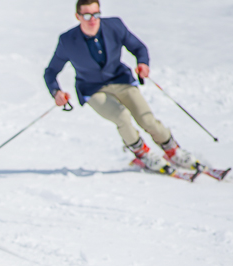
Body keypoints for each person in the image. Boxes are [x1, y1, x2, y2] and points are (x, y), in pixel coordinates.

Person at [44, 0, 200, 172]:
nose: (92, 19)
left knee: (147, 119)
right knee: (122, 117)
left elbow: (138, 47)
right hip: (92, 88)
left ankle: (173, 151)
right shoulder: (67, 40)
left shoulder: (114, 26)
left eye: (96, 14)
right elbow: (51, 71)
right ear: (78, 16)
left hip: (121, 80)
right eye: (87, 15)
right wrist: (56, 92)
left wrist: (143, 64)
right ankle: (143, 154)